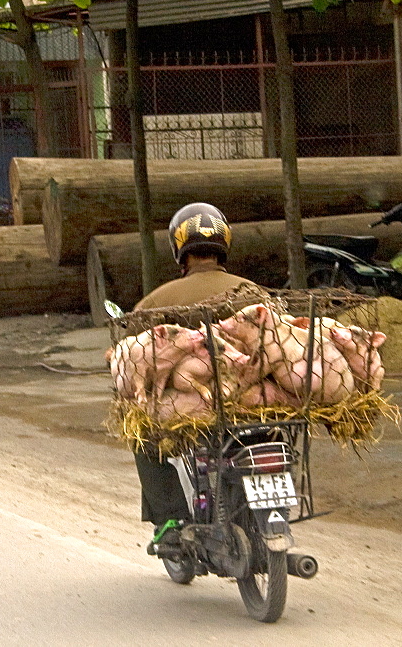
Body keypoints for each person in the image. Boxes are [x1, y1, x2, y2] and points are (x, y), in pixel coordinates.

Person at [131, 203, 258, 557]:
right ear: (224, 245)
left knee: (143, 438)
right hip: (254, 402)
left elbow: (135, 349)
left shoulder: (158, 300)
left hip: (192, 409)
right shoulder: (253, 293)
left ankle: (171, 522)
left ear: (180, 250)